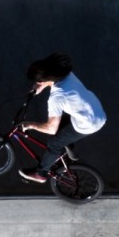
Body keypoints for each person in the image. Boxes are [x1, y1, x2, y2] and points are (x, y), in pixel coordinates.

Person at [18, 53, 106, 183]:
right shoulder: (66, 74)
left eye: (37, 82)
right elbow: (51, 81)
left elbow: (51, 129)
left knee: (54, 143)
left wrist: (29, 124)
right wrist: (40, 87)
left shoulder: (57, 97)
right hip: (93, 110)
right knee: (61, 125)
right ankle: (69, 150)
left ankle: (41, 174)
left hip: (89, 123)